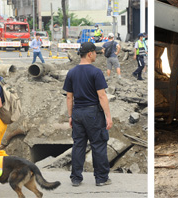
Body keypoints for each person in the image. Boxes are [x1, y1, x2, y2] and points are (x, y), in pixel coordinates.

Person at [63, 42, 112, 187]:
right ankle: (101, 178)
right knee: (98, 144)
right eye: (95, 52)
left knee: (78, 145)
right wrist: (108, 116)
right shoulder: (96, 72)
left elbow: (69, 97)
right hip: (93, 113)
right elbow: (102, 96)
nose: (97, 55)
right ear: (90, 54)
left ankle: (76, 178)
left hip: (78, 112)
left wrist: (71, 116)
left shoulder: (71, 72)